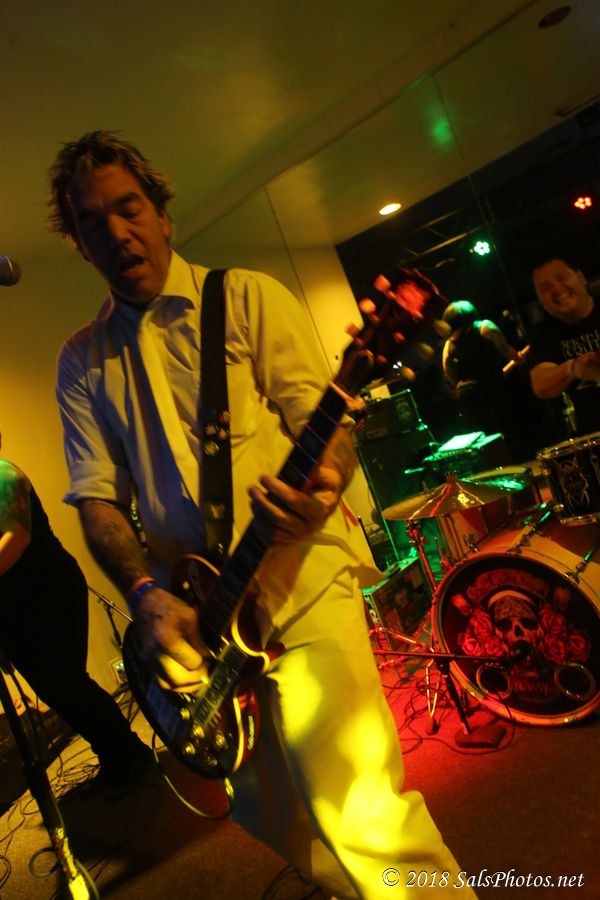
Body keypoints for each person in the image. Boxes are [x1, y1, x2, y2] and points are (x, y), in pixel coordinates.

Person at [49, 130, 476, 898]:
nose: (115, 231)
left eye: (128, 208)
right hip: (199, 615)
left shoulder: (247, 298)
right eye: (91, 222)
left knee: (361, 812)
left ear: (163, 215)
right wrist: (144, 596)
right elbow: (98, 497)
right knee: (268, 811)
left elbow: (329, 428)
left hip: (299, 580)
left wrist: (322, 491)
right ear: (78, 243)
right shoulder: (80, 360)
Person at [0, 433, 154, 792]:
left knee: (69, 684)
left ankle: (131, 755)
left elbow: (17, 538)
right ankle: (114, 757)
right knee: (56, 691)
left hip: (47, 593)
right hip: (16, 610)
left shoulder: (5, 475)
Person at [441, 299, 524, 459]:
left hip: (466, 396)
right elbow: (506, 350)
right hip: (492, 388)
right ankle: (516, 462)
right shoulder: (484, 327)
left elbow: (449, 373)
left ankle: (495, 467)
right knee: (506, 429)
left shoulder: (448, 345)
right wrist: (519, 359)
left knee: (483, 439)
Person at [529, 255, 600, 436]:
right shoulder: (544, 332)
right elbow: (540, 385)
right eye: (546, 288)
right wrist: (574, 368)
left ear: (581, 278)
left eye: (562, 278)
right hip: (593, 437)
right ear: (540, 300)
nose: (556, 289)